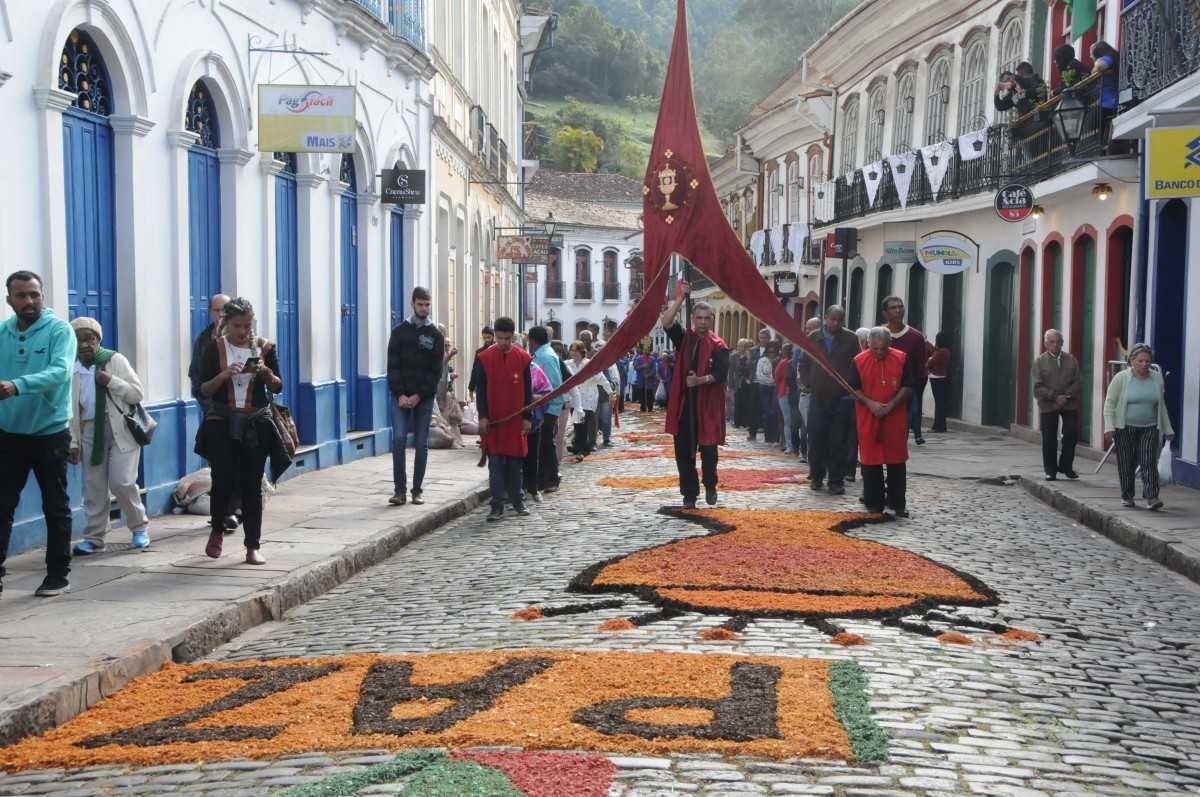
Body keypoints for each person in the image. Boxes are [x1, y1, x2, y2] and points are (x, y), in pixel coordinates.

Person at [0, 271, 76, 597]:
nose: (29, 301)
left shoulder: (60, 331)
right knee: (2, 507)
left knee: (55, 506)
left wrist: (18, 386)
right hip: (9, 434)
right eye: (21, 296)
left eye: (35, 294)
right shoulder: (3, 332)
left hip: (49, 433)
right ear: (9, 300)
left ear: (43, 296)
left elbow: (60, 371)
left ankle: (58, 575)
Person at [196, 298, 287, 565]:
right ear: (227, 323)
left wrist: (267, 374)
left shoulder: (264, 347)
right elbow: (203, 389)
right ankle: (217, 531)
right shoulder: (215, 348)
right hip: (221, 421)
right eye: (238, 326)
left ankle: (252, 546)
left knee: (252, 485)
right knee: (222, 479)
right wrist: (224, 375)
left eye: (248, 325)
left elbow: (279, 386)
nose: (243, 331)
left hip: (255, 423)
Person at [68, 317, 150, 555]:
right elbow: (70, 409)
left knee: (122, 482)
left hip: (120, 430)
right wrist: (73, 442)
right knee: (93, 487)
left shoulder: (114, 360)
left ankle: (139, 527)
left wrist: (111, 381)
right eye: (79, 339)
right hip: (90, 431)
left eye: (90, 338)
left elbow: (136, 394)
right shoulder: (71, 367)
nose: (84, 344)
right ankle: (94, 538)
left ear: (98, 340)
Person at [660, 281, 729, 509]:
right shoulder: (684, 339)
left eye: (706, 318)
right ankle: (689, 493)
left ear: (712, 320)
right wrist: (680, 298)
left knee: (708, 450)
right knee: (684, 453)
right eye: (698, 318)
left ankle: (710, 484)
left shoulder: (719, 345)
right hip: (685, 405)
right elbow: (666, 321)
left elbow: (720, 375)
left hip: (708, 406)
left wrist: (699, 380)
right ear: (693, 319)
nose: (702, 322)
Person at [386, 287, 445, 506]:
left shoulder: (436, 336)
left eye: (427, 304)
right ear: (412, 304)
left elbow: (435, 371)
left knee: (421, 443)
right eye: (420, 304)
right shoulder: (399, 332)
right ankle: (399, 490)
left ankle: (417, 490)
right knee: (399, 438)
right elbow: (393, 366)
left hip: (424, 398)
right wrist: (400, 394)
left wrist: (419, 395)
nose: (424, 308)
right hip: (400, 396)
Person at [849, 327, 915, 517]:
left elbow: (908, 385)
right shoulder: (859, 361)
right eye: (875, 349)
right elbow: (853, 388)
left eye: (883, 349)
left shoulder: (901, 358)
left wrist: (891, 405)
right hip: (868, 414)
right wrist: (871, 404)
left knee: (896, 460)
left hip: (895, 416)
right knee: (870, 460)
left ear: (890, 345)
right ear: (868, 344)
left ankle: (897, 502)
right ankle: (874, 502)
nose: (879, 353)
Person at [472, 317, 533, 522]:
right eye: (500, 338)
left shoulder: (523, 358)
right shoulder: (484, 358)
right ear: (495, 336)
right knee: (496, 464)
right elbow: (480, 390)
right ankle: (496, 505)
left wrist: (527, 416)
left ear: (513, 336)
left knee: (515, 464)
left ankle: (518, 500)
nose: (504, 342)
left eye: (507, 338)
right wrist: (482, 416)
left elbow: (528, 391)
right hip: (494, 421)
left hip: (515, 421)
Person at [188, 292, 241, 531]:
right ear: (211, 312)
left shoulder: (241, 337)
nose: (221, 314)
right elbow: (196, 375)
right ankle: (224, 511)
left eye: (225, 309)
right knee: (218, 463)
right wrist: (206, 403)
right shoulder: (203, 339)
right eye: (217, 310)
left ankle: (234, 510)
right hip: (213, 411)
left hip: (240, 411)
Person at [1103, 345, 1174, 510]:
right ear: (1132, 361)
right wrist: (1109, 427)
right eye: (1140, 360)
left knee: (1148, 460)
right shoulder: (1121, 378)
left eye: (1147, 361)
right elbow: (1110, 403)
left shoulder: (1156, 378)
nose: (1144, 364)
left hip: (1149, 426)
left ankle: (1152, 496)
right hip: (1125, 427)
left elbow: (1161, 406)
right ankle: (1127, 496)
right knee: (1126, 462)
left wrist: (1168, 429)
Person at [800, 306, 860, 495]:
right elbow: (804, 362)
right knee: (816, 438)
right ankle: (816, 476)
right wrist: (808, 382)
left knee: (838, 441)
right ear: (825, 318)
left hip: (841, 398)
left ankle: (836, 480)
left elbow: (857, 362)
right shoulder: (813, 337)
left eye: (839, 320)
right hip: (818, 396)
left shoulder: (850, 339)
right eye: (832, 319)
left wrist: (850, 384)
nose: (835, 323)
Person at [1032, 329, 1081, 481]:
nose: (1055, 345)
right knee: (1049, 438)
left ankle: (1066, 466)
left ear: (1062, 343)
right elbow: (1037, 386)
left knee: (1072, 433)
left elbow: (1078, 381)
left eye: (1058, 341)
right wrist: (1054, 396)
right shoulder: (1039, 362)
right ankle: (1050, 470)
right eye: (1052, 342)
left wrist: (1066, 395)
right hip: (1048, 404)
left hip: (1069, 403)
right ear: (1045, 343)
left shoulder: (1071, 359)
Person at [881, 296, 929, 446]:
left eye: (900, 307)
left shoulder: (916, 337)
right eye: (893, 308)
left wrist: (914, 386)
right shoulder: (880, 335)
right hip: (883, 386)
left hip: (909, 386)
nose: (898, 310)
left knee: (909, 415)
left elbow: (921, 364)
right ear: (885, 313)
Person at [528, 326, 564, 494]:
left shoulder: (546, 356)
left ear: (533, 341)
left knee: (546, 443)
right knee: (542, 444)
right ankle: (542, 478)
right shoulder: (542, 354)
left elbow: (554, 384)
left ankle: (552, 478)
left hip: (549, 407)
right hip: (544, 406)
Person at [565, 341, 608, 455]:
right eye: (572, 350)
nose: (573, 353)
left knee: (585, 422)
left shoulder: (590, 364)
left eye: (576, 350)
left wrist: (611, 392)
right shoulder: (567, 364)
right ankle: (579, 445)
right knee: (577, 423)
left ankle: (584, 447)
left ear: (582, 351)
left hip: (589, 398)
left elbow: (602, 379)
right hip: (575, 398)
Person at [523, 358, 553, 503]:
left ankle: (532, 488)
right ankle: (514, 490)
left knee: (532, 455)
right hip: (509, 420)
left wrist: (534, 397)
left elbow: (547, 393)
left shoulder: (534, 369)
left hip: (532, 420)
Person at [746, 328, 772, 440]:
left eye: (765, 338)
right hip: (755, 382)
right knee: (753, 408)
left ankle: (769, 435)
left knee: (767, 408)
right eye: (760, 337)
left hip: (767, 383)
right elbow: (749, 365)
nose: (762, 340)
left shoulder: (772, 349)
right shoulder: (753, 350)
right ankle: (752, 433)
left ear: (769, 338)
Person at [755, 340, 780, 444]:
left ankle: (775, 437)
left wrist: (773, 380)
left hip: (775, 388)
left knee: (774, 412)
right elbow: (759, 375)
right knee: (767, 412)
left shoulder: (779, 360)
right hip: (764, 387)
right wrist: (771, 380)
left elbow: (779, 376)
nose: (771, 354)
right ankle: (768, 436)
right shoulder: (762, 360)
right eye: (770, 352)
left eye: (773, 352)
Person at [927, 332, 952, 433]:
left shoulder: (942, 351)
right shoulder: (943, 350)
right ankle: (940, 425)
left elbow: (931, 362)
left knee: (939, 403)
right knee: (940, 403)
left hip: (937, 378)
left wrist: (929, 360)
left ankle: (939, 426)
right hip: (939, 377)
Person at [775, 343, 797, 455]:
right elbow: (777, 376)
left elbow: (776, 377)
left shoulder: (785, 362)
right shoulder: (784, 363)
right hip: (785, 393)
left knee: (789, 421)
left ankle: (790, 445)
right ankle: (790, 445)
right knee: (789, 421)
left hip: (785, 393)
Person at [466, 325, 494, 400]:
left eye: (489, 337)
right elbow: (475, 370)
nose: (487, 340)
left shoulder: (499, 350)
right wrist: (471, 388)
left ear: (493, 336)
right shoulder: (479, 352)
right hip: (482, 385)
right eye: (485, 338)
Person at [1091, 41, 1119, 112]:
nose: (1090, 56)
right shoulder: (1113, 56)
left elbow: (1100, 66)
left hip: (1109, 102)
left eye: (1091, 54)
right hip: (1108, 101)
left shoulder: (1108, 56)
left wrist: (1097, 64)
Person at [633, 345, 660, 412]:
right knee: (642, 394)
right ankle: (643, 407)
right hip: (641, 379)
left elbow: (654, 369)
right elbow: (636, 368)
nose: (646, 351)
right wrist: (642, 366)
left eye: (647, 350)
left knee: (650, 395)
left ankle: (650, 407)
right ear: (643, 351)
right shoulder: (638, 359)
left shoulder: (652, 359)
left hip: (650, 380)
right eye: (645, 350)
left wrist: (649, 375)